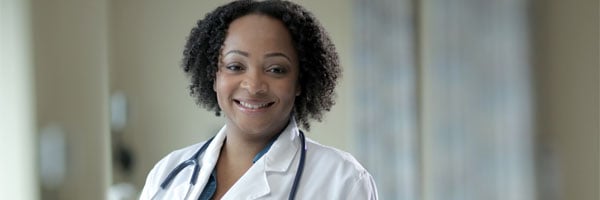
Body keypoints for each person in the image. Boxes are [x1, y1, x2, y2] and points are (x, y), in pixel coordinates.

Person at [139, 0, 378, 199]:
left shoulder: (343, 180)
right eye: (235, 66)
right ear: (213, 77)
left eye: (276, 69)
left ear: (300, 82)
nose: (253, 86)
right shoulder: (168, 173)